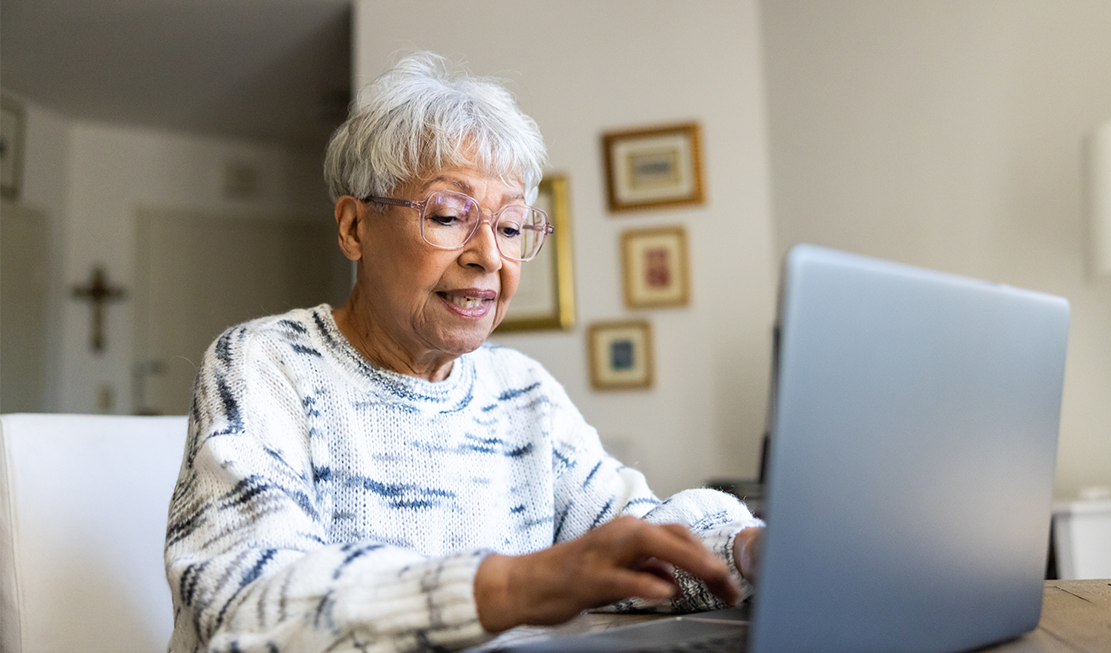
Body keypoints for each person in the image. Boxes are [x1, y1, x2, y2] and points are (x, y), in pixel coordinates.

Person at [164, 52, 764, 653]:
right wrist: (506, 587)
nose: (489, 256)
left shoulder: (519, 389)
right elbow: (246, 602)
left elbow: (629, 535)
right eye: (449, 216)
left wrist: (745, 550)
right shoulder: (266, 365)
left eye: (509, 227)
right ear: (353, 228)